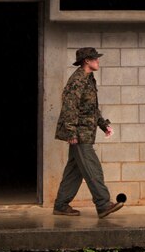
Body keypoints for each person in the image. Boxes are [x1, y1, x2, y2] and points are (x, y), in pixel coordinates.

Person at [53, 47, 124, 218]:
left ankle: (61, 205)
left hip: (85, 132)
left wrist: (103, 125)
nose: (98, 61)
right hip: (79, 134)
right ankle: (103, 204)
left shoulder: (89, 79)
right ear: (87, 61)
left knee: (74, 170)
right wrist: (71, 133)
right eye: (95, 58)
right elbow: (69, 107)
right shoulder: (78, 80)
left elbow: (90, 108)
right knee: (93, 169)